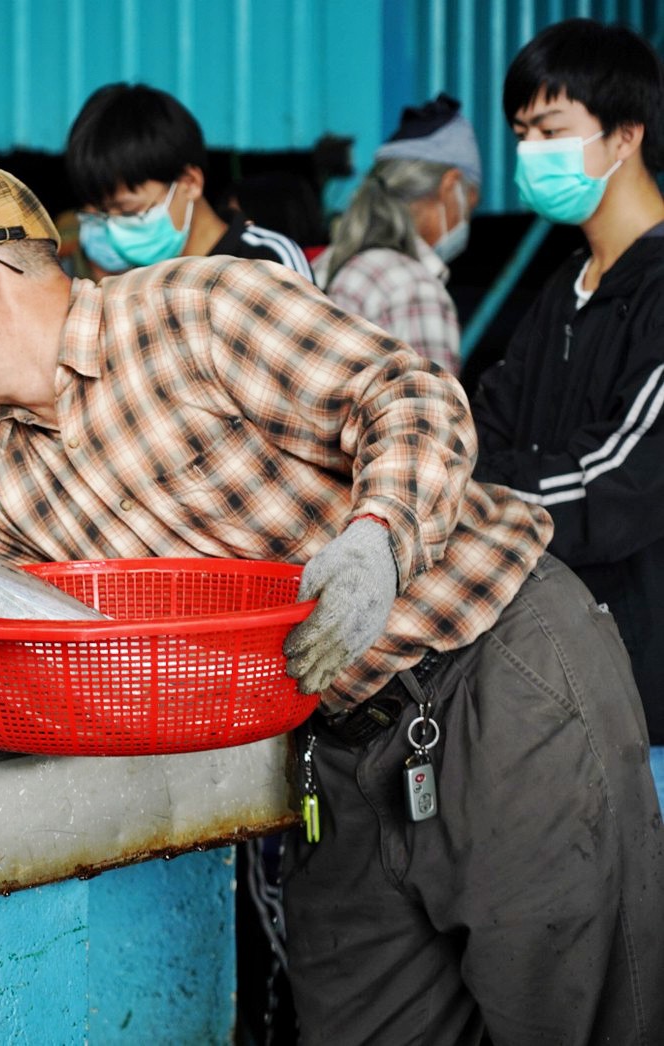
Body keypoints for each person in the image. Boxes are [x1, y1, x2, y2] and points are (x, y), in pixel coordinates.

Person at [0, 165, 664, 1043]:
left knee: (569, 1007)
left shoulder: (198, 310)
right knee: (361, 1015)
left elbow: (401, 391)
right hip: (341, 739)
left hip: (495, 668)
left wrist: (379, 537)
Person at [472, 20, 664, 800]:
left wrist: (469, 500)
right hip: (562, 675)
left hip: (649, 698)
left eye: (551, 131)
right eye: (521, 133)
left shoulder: (657, 290)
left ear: (624, 137)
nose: (529, 153)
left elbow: (619, 476)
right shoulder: (564, 287)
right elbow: (486, 417)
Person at [65, 82, 312, 280]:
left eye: (129, 212)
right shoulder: (133, 283)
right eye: (105, 215)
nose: (116, 231)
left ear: (189, 182)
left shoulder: (268, 262)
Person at [316, 95, 481, 373]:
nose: (465, 221)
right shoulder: (413, 290)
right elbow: (430, 414)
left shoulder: (329, 263)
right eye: (469, 206)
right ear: (450, 186)